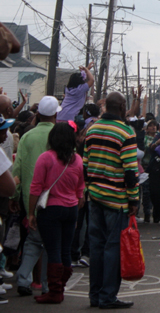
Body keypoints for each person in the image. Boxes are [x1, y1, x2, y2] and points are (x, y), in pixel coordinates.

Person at [83, 91, 139, 309]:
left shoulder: (93, 129)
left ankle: (95, 295)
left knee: (96, 248)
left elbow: (85, 164)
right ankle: (108, 297)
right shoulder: (125, 132)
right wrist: (134, 200)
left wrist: (89, 189)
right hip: (117, 201)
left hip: (95, 197)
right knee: (113, 249)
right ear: (123, 106)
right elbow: (130, 172)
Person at [27, 121, 85, 304]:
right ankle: (60, 287)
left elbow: (36, 187)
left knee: (53, 250)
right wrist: (75, 208)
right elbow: (80, 190)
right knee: (66, 250)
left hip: (51, 210)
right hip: (71, 209)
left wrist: (31, 213)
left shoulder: (46, 158)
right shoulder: (77, 160)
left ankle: (55, 291)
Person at [11, 95, 61, 296]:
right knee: (52, 242)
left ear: (38, 114)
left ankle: (24, 278)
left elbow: (18, 168)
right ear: (56, 114)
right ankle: (47, 284)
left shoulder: (27, 136)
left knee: (33, 239)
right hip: (56, 198)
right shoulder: (60, 136)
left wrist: (14, 197)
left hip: (29, 196)